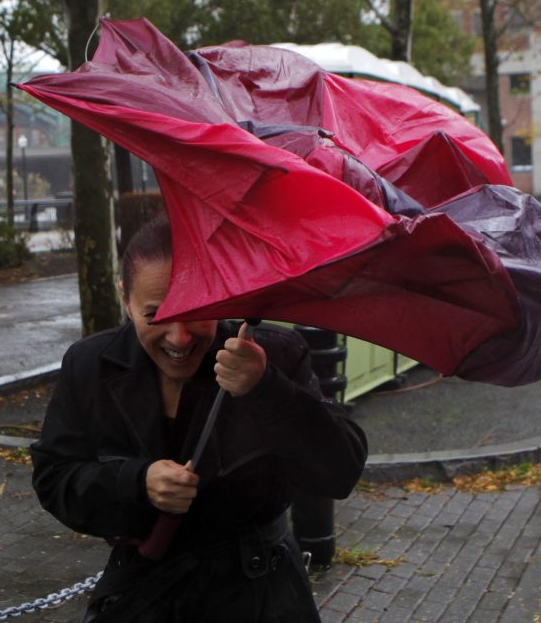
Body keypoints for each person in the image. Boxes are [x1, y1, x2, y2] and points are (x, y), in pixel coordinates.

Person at [31, 217, 368, 622]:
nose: (180, 337)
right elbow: (55, 477)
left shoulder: (273, 354)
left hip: (261, 597)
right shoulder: (90, 366)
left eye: (195, 310)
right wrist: (137, 483)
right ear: (126, 299)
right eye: (155, 314)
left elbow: (340, 471)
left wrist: (266, 389)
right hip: (146, 596)